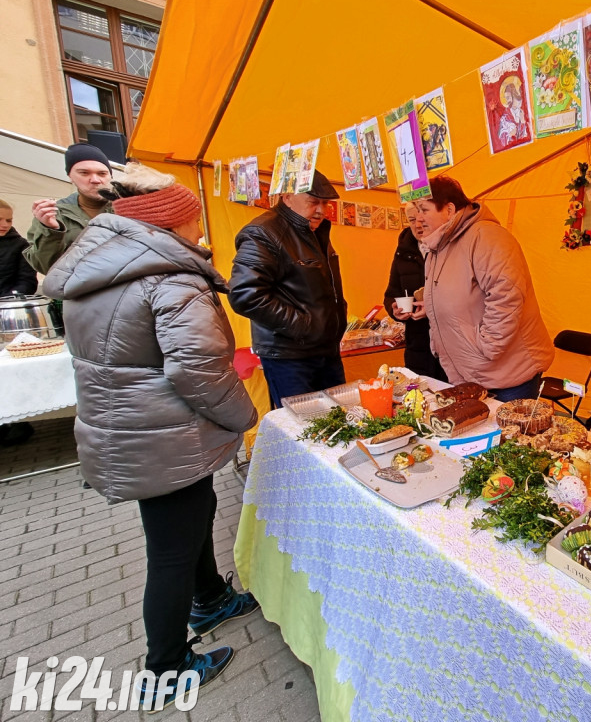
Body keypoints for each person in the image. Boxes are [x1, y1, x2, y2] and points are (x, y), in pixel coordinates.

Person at [41, 164, 260, 710]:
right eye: (194, 219)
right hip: (162, 433)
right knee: (169, 550)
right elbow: (198, 369)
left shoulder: (95, 271)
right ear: (176, 224)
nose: (199, 228)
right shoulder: (169, 279)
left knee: (191, 517)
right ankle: (166, 667)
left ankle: (210, 597)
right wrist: (242, 416)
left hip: (131, 429)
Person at [413, 176, 553, 401]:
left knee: (509, 435)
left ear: (449, 210)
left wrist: (487, 348)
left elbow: (506, 296)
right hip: (470, 371)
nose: (418, 219)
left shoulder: (486, 236)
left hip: (505, 372)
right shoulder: (438, 247)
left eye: (424, 210)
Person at [229, 170, 347, 408]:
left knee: (339, 422)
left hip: (326, 350)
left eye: (325, 203)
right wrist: (304, 326)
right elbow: (245, 295)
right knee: (300, 431)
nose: (321, 210)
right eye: (314, 202)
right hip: (289, 357)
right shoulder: (263, 232)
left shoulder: (314, 230)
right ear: (287, 196)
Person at [24, 144, 113, 274]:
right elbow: (45, 267)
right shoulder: (54, 214)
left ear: (110, 176)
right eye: (84, 173)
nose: (95, 180)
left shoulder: (129, 207)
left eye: (102, 173)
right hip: (79, 291)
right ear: (70, 177)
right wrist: (52, 231)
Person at [383, 204, 447, 381]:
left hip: (448, 345)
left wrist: (433, 307)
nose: (418, 225)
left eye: (422, 219)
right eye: (412, 220)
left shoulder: (449, 249)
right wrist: (394, 309)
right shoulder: (403, 253)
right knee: (419, 397)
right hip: (417, 346)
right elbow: (390, 294)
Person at [0, 199, 38, 296]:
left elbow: (27, 282)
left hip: (7, 306)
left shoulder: (21, 245)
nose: (5, 225)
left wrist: (8, 300)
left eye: (9, 220)